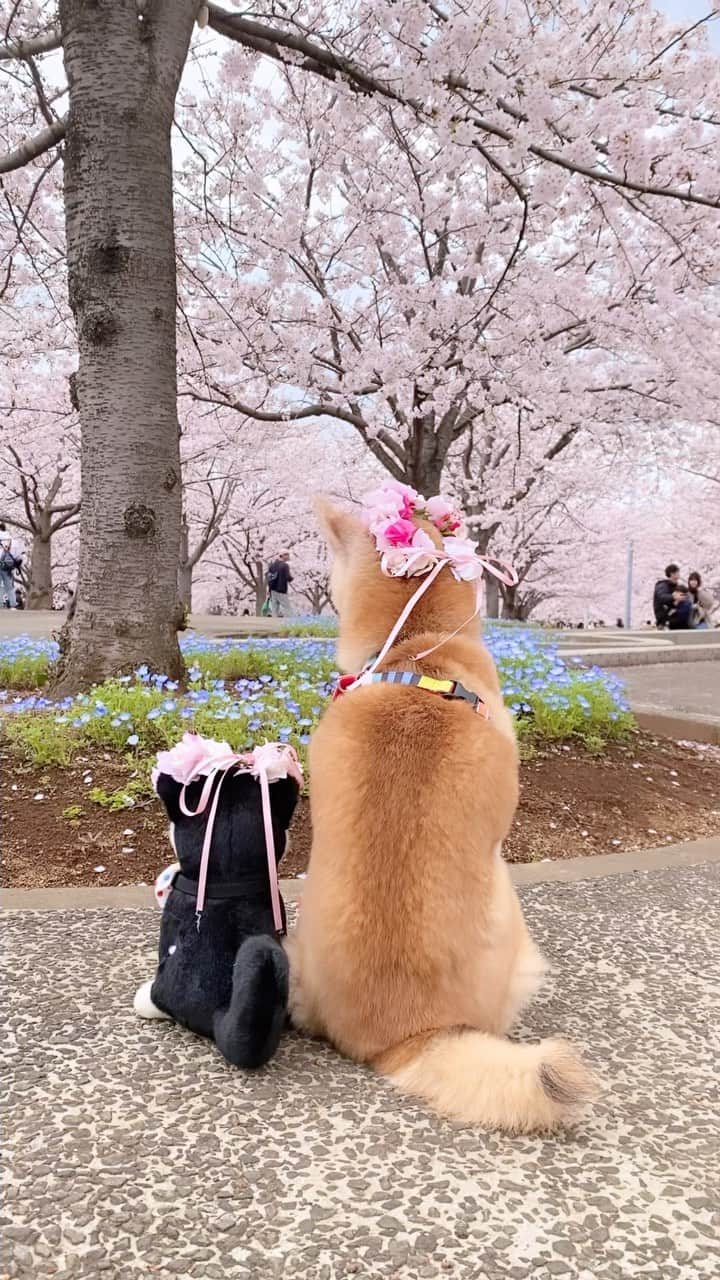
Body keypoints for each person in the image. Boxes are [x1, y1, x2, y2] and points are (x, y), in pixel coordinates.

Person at [653, 563, 691, 630]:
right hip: (665, 617)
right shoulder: (662, 585)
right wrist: (673, 597)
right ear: (671, 573)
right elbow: (661, 597)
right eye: (677, 572)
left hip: (676, 616)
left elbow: (687, 594)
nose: (679, 574)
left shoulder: (677, 586)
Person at [0, 526, 22, 609]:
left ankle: (0, 604)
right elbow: (18, 556)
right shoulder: (13, 541)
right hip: (7, 567)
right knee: (9, 586)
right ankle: (13, 604)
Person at [266, 550, 292, 617]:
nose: (289, 556)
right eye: (287, 555)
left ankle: (273, 625)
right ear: (283, 556)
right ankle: (291, 624)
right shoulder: (285, 565)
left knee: (275, 609)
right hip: (281, 589)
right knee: (287, 608)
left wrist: (269, 590)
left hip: (272, 590)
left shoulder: (272, 565)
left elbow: (269, 578)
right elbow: (288, 577)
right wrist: (291, 578)